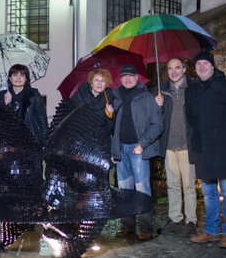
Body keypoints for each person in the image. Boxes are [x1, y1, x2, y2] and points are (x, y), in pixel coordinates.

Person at [186, 51, 226, 249]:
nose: (201, 67)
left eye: (205, 63)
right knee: (208, 193)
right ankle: (211, 230)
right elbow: (190, 117)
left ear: (212, 66)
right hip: (203, 149)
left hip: (225, 149)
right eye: (198, 64)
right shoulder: (192, 90)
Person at [111, 64, 163, 240]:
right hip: (121, 151)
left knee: (141, 189)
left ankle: (146, 228)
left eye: (131, 76)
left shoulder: (146, 97)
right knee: (124, 190)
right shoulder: (116, 97)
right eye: (124, 76)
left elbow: (157, 124)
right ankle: (128, 226)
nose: (127, 79)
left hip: (137, 149)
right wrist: (114, 149)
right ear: (120, 79)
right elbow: (114, 129)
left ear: (137, 78)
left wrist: (142, 144)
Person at [155, 57, 197, 235]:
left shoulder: (194, 89)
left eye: (177, 67)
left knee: (188, 185)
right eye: (170, 68)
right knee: (172, 185)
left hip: (187, 144)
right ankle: (175, 219)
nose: (174, 71)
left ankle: (191, 220)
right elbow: (156, 118)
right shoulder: (162, 90)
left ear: (184, 69)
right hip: (169, 144)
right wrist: (158, 106)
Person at [0, 64, 48, 147]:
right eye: (14, 75)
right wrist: (5, 103)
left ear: (26, 79)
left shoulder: (34, 94)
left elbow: (42, 120)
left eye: (22, 75)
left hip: (31, 140)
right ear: (10, 78)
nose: (18, 78)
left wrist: (45, 142)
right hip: (9, 142)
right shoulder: (2, 95)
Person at [71, 68, 114, 134]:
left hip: (99, 140)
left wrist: (110, 117)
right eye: (96, 80)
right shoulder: (79, 96)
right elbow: (69, 117)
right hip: (79, 136)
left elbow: (109, 130)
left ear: (106, 84)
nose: (99, 83)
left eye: (103, 81)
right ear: (91, 83)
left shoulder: (109, 99)